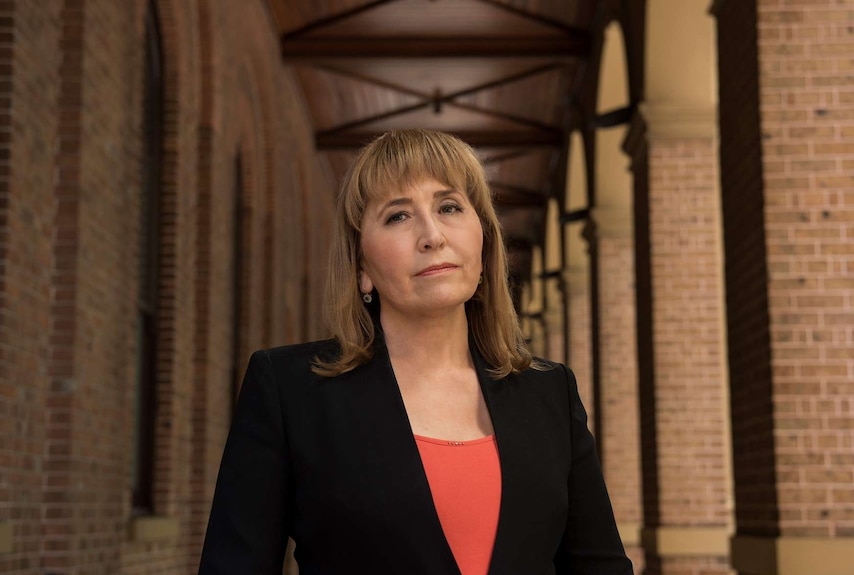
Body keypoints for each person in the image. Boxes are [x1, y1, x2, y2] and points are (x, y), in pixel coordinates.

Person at [198, 129, 633, 574]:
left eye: (449, 207)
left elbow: (600, 566)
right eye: (398, 217)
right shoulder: (289, 390)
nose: (432, 236)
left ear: (483, 245)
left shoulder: (551, 392)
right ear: (362, 266)